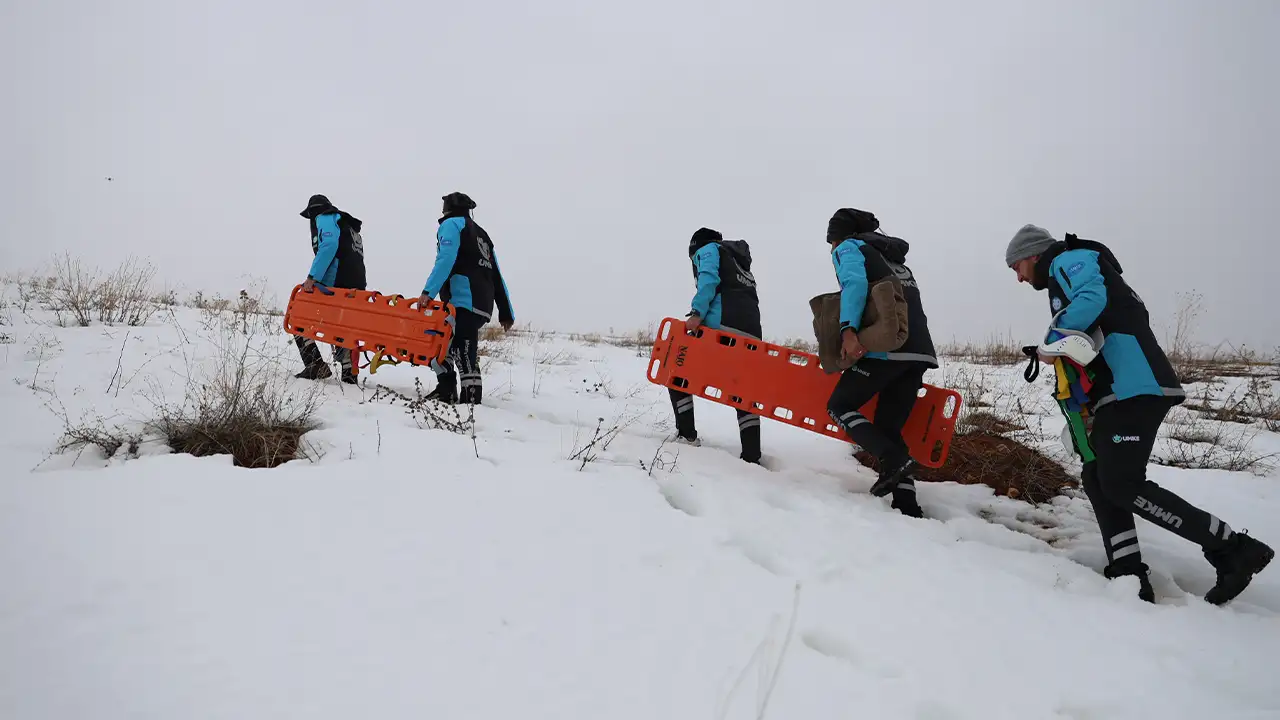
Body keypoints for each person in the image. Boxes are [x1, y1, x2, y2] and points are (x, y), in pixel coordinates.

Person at [1007, 224, 1273, 604]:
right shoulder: (1063, 271)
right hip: (1120, 390)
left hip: (1135, 387)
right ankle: (1128, 571)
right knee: (1098, 476)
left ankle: (1233, 549)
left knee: (1121, 483)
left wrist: (1053, 341)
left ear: (1034, 254)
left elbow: (1091, 297)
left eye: (1016, 266)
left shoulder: (1070, 259)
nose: (1018, 278)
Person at [825, 209, 938, 518]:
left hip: (889, 349)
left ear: (838, 237)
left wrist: (848, 330)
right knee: (889, 425)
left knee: (840, 405)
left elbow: (854, 285)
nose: (831, 250)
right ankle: (907, 504)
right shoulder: (894, 259)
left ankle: (891, 459)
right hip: (918, 352)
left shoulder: (850, 247)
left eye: (830, 242)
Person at [672, 227, 763, 464]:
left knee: (676, 372)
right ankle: (752, 456)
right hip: (751, 333)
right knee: (742, 391)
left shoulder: (709, 249)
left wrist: (696, 313)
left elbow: (709, 279)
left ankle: (687, 436)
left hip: (723, 326)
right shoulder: (736, 260)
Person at [418, 192, 515, 405]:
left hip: (463, 300)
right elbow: (496, 274)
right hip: (482, 303)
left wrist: (428, 292)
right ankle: (450, 392)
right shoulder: (483, 235)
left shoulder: (451, 225)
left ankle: (468, 402)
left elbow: (446, 258)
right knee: (452, 346)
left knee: (453, 348)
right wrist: (506, 311)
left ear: (447, 208)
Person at [297, 194, 367, 384]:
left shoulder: (325, 217)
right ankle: (349, 374)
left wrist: (313, 278)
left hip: (336, 281)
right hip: (356, 284)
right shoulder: (348, 226)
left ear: (313, 212)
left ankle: (315, 365)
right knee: (344, 326)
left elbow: (328, 246)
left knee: (299, 316)